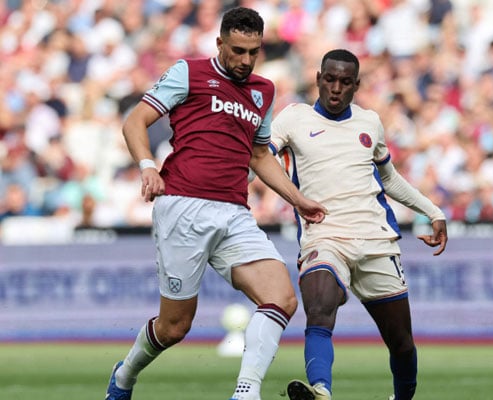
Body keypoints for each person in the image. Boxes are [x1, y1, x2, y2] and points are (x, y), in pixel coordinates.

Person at [104, 7, 327, 400]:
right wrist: (147, 166)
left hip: (235, 213)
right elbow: (134, 121)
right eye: (237, 50)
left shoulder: (263, 91)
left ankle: (245, 392)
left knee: (282, 297)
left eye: (252, 52)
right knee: (174, 327)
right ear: (220, 42)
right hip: (183, 206)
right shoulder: (188, 72)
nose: (244, 60)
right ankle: (124, 376)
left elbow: (259, 156)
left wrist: (298, 199)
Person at [270, 49, 448, 400]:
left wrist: (433, 211)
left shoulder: (369, 122)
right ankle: (320, 391)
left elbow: (390, 179)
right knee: (319, 305)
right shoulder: (293, 118)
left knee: (401, 342)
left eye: (345, 82)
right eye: (329, 80)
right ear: (318, 78)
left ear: (356, 85)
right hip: (324, 235)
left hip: (375, 239)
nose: (335, 88)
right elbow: (261, 160)